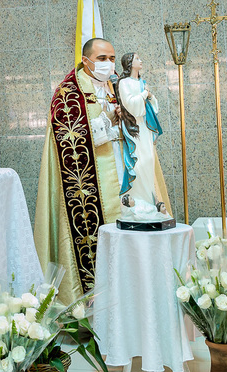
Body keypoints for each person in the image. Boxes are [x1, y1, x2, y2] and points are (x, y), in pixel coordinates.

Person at [36, 38, 171, 302]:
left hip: (127, 169)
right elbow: (71, 138)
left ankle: (139, 298)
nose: (108, 64)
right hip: (94, 185)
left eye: (111, 58)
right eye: (101, 59)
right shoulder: (68, 94)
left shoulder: (117, 85)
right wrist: (109, 119)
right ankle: (98, 304)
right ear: (86, 60)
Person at [114, 52, 170, 220]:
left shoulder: (141, 82)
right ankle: (137, 201)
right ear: (130, 63)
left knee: (149, 161)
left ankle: (150, 201)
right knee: (138, 163)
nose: (141, 60)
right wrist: (145, 94)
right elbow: (130, 104)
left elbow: (152, 106)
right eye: (138, 58)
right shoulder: (123, 82)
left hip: (145, 127)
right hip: (134, 127)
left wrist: (150, 96)